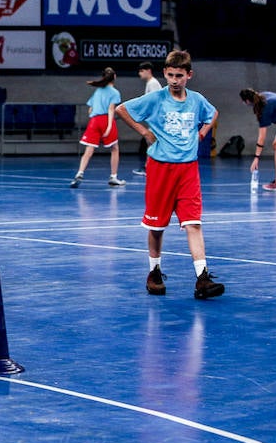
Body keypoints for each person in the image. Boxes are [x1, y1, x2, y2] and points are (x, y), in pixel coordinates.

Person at [115, 50, 224, 300]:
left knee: (193, 223)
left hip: (188, 170)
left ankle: (202, 278)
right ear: (165, 73)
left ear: (189, 75)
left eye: (180, 76)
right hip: (160, 168)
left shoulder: (196, 100)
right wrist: (144, 132)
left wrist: (203, 132)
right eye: (171, 75)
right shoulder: (156, 98)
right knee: (156, 225)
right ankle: (154, 273)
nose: (175, 80)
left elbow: (213, 113)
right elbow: (122, 110)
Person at [70, 67, 126, 188]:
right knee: (115, 148)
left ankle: (79, 173)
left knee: (89, 150)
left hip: (94, 121)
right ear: (114, 77)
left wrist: (94, 119)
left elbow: (90, 109)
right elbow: (111, 109)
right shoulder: (115, 92)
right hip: (106, 120)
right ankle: (113, 177)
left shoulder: (98, 91)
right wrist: (109, 126)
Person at [132, 61, 163, 176]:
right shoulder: (150, 83)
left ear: (148, 71)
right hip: (154, 119)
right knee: (150, 142)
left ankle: (152, 167)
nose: (140, 74)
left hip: (157, 120)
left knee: (151, 141)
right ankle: (148, 167)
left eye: (141, 71)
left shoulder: (153, 83)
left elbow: (155, 102)